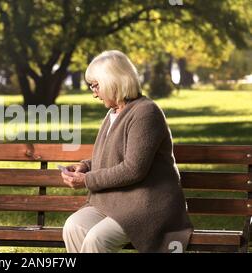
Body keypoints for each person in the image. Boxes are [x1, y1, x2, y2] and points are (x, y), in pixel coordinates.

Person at [61, 50, 193, 253]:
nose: (93, 93)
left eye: (96, 85)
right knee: (73, 226)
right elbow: (112, 154)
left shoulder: (146, 112)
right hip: (115, 202)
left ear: (112, 81)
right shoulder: (113, 112)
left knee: (98, 239)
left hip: (147, 205)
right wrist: (86, 166)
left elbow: (133, 169)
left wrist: (86, 180)